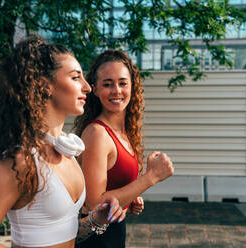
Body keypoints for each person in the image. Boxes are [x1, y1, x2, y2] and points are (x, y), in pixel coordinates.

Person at [0, 36, 125, 248]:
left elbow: (60, 233)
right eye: (75, 78)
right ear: (45, 85)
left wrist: (95, 221)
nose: (87, 87)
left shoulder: (66, 152)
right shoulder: (19, 162)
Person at [73, 50, 175, 248]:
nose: (116, 91)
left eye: (122, 83)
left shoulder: (124, 132)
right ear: (94, 89)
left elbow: (111, 191)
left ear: (132, 86)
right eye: (107, 84)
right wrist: (150, 177)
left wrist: (128, 201)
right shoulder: (97, 133)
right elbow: (95, 204)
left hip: (114, 236)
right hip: (96, 241)